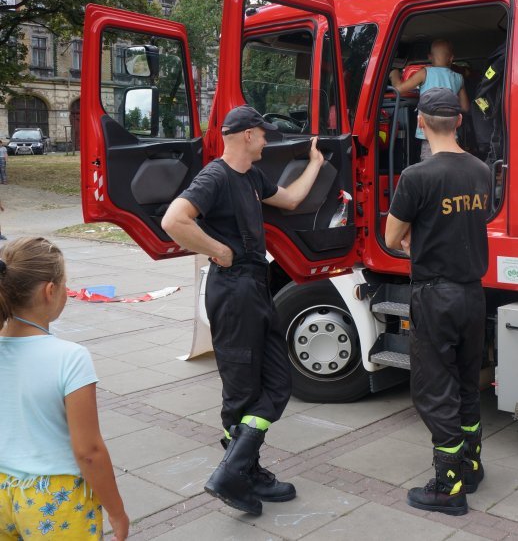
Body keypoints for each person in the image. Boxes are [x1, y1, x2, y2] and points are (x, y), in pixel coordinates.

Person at [161, 105, 325, 516]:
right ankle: (236, 474)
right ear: (247, 135)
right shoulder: (215, 176)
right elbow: (173, 220)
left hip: (254, 288)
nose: (268, 140)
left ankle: (238, 469)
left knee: (276, 382)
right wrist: (219, 251)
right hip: (233, 291)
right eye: (264, 134)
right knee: (240, 391)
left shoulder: (251, 176)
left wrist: (317, 164)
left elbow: (289, 199)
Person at [384, 88, 491, 516]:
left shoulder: (416, 176)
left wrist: (419, 240)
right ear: (460, 122)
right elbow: (470, 223)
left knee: (434, 390)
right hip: (472, 294)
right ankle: (473, 464)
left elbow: (391, 238)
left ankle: (449, 486)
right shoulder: (481, 170)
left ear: (422, 123)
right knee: (466, 381)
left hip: (435, 295)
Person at [0, 237, 129, 540]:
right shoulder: (70, 358)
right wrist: (116, 510)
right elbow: (89, 451)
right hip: (54, 502)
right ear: (50, 291)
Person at [389, 39, 470, 161]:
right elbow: (465, 107)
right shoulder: (459, 78)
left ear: (430, 57)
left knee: (430, 170)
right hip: (452, 138)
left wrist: (394, 74)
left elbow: (399, 89)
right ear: (451, 58)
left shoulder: (425, 72)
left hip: (430, 139)